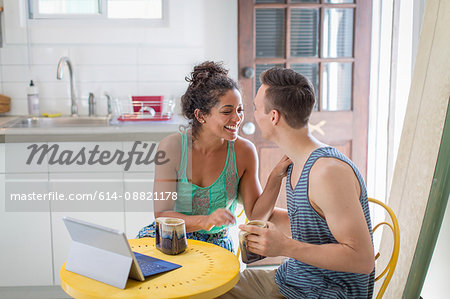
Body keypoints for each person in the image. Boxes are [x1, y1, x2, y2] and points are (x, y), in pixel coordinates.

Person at [220, 67, 375, 298]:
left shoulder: (327, 172)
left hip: (324, 293)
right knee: (210, 289)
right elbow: (315, 229)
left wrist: (284, 246)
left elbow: (362, 260)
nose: (251, 116)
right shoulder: (294, 162)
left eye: (255, 109)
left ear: (274, 117)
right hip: (292, 280)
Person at [137, 61, 290, 252]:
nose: (237, 118)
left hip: (216, 245)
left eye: (240, 110)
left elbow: (256, 215)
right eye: (227, 111)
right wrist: (205, 221)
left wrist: (275, 177)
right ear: (201, 116)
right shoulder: (172, 148)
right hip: (171, 238)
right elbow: (162, 214)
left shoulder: (244, 152)